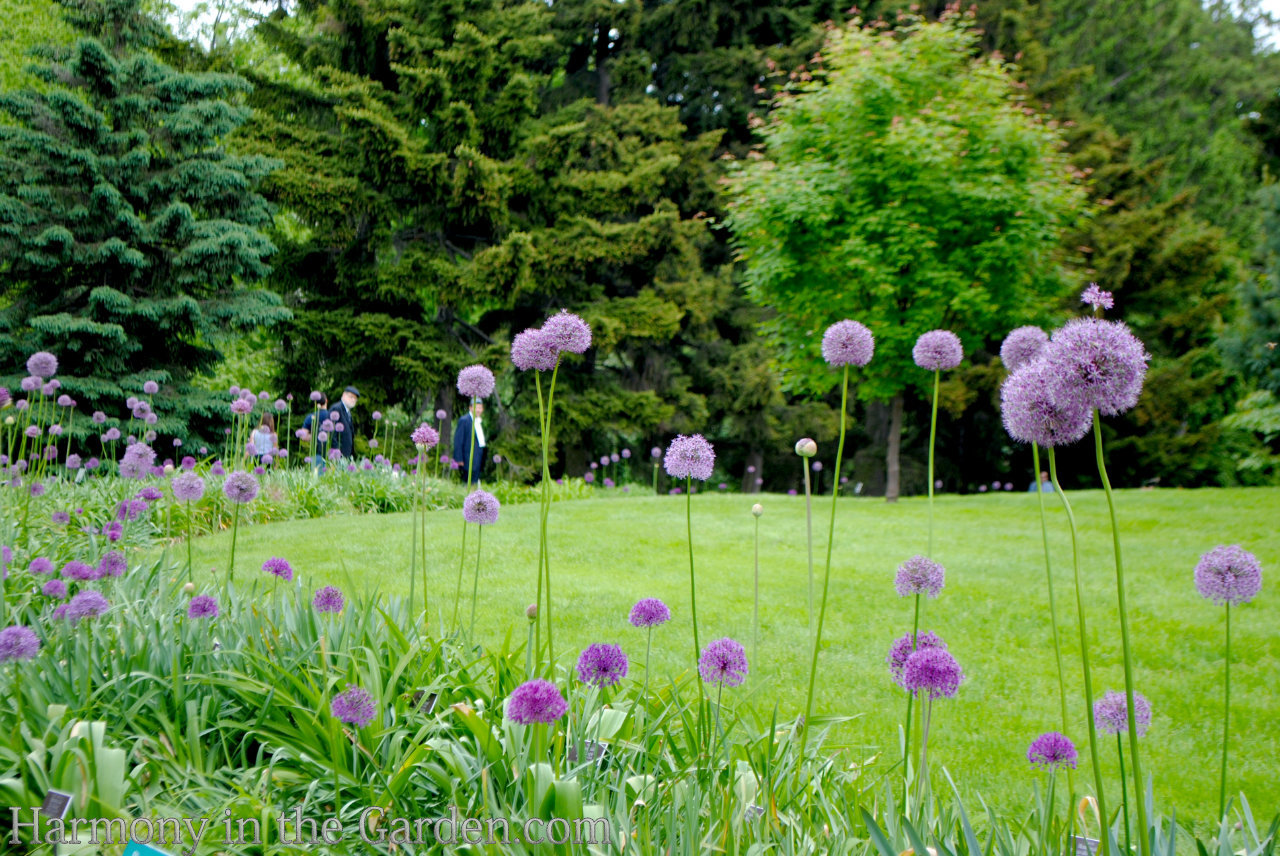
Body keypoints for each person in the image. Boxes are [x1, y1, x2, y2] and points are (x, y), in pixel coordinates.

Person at [452, 401, 487, 484]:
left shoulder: (479, 421)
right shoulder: (464, 420)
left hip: (478, 455)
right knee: (467, 480)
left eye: (480, 408)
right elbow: (458, 440)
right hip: (467, 457)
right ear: (470, 408)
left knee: (475, 479)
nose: (478, 410)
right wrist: (459, 458)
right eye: (476, 407)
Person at [298, 393, 329, 467]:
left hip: (316, 452)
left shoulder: (310, 417)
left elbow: (303, 436)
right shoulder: (331, 415)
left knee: (317, 476)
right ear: (326, 401)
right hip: (332, 453)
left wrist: (315, 436)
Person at [330, 386, 359, 459]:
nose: (353, 400)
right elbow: (332, 432)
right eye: (351, 397)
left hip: (346, 455)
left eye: (355, 399)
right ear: (343, 395)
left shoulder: (348, 412)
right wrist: (336, 452)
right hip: (337, 455)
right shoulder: (336, 408)